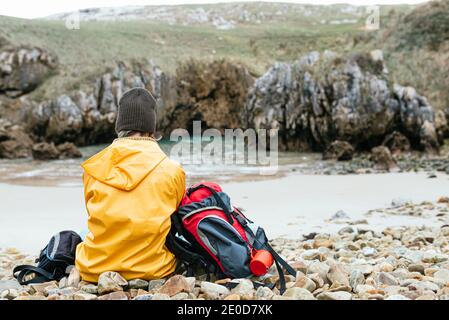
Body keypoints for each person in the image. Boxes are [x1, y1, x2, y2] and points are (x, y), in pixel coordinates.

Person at [75, 87, 186, 282]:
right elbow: (175, 214)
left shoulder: (93, 167)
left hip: (95, 267)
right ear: (152, 127)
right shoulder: (173, 170)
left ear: (120, 125)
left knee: (85, 230)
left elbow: (93, 212)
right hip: (153, 268)